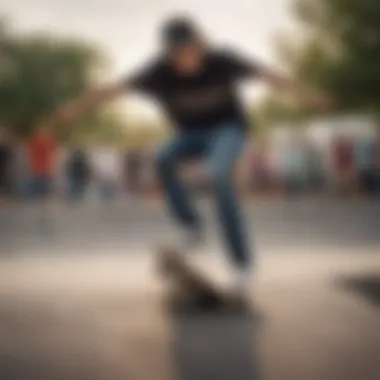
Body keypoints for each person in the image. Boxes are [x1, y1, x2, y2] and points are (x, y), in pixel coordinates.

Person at [47, 17, 330, 298]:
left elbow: (268, 75)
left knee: (218, 175)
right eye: (178, 55)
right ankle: (191, 225)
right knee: (162, 157)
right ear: (168, 54)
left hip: (227, 130)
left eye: (191, 52)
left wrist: (307, 94)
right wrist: (74, 108)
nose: (185, 61)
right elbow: (112, 89)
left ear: (201, 44)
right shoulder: (157, 71)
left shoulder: (223, 60)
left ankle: (241, 266)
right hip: (189, 134)